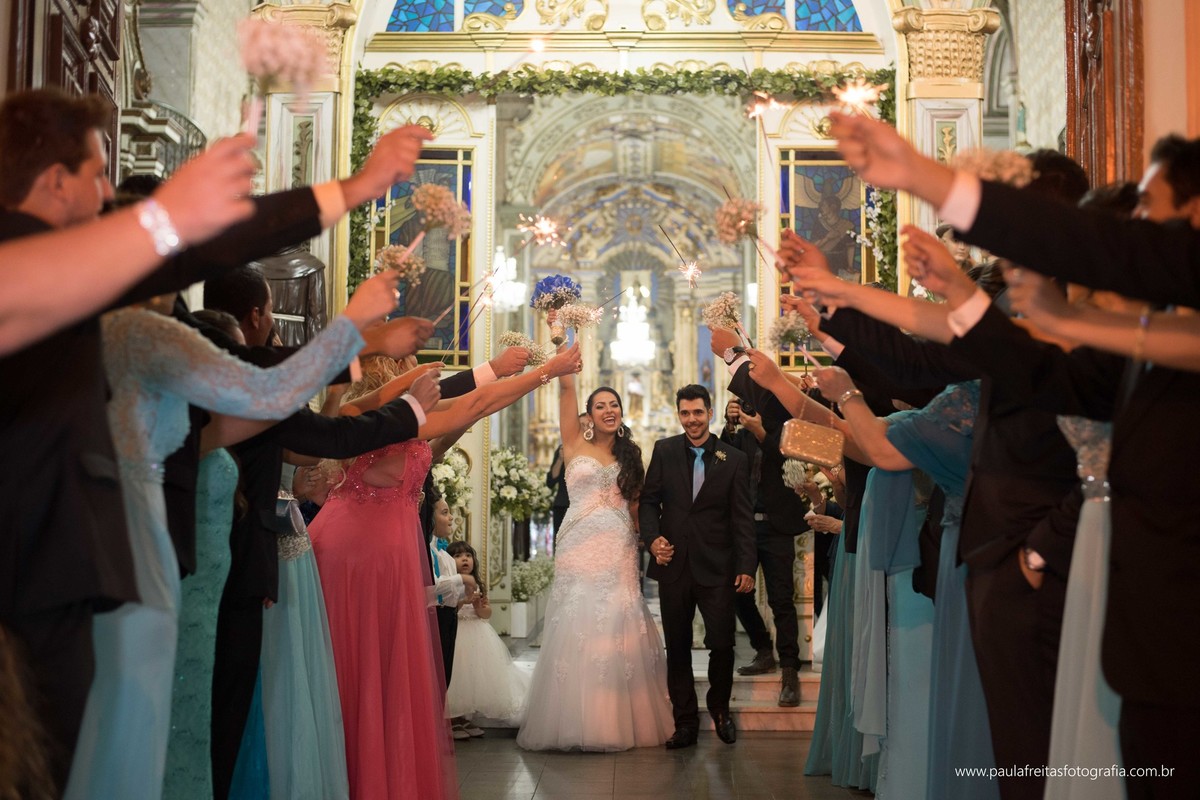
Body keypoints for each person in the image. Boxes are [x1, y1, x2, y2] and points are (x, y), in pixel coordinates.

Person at [61, 272, 400, 800]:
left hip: (192, 571)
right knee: (163, 708)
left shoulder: (203, 410)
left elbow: (285, 414)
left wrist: (358, 358)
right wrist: (362, 337)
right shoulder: (137, 352)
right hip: (163, 560)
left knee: (196, 711)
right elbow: (282, 403)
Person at [312, 344, 581, 798]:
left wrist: (463, 421)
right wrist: (548, 372)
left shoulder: (396, 421)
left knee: (385, 673)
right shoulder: (374, 417)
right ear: (389, 373)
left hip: (386, 554)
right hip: (357, 556)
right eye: (407, 363)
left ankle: (378, 775)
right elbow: (474, 400)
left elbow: (425, 453)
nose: (418, 370)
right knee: (361, 669)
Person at [518, 318, 673, 752]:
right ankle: (572, 718)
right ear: (589, 415)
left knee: (618, 622)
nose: (609, 410)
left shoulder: (630, 454)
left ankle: (619, 719)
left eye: (615, 406)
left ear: (622, 414)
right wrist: (563, 338)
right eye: (601, 405)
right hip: (578, 546)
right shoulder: (574, 443)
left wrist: (650, 540)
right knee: (577, 623)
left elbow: (640, 505)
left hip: (620, 548)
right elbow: (565, 387)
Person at [638, 384, 756, 750]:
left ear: (709, 411)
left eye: (698, 413)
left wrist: (747, 566)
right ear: (679, 414)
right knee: (677, 645)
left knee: (721, 643)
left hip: (718, 567)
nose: (692, 420)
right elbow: (648, 502)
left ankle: (720, 708)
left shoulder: (733, 459)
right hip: (674, 563)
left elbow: (742, 518)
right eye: (685, 413)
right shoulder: (664, 450)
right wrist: (653, 538)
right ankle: (685, 721)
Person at [444, 539, 529, 734]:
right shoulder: (450, 585)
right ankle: (452, 718)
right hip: (458, 635)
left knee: (474, 677)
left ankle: (465, 716)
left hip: (477, 635)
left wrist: (479, 606)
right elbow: (448, 612)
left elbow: (487, 614)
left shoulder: (478, 584)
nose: (464, 559)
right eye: (457, 556)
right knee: (458, 675)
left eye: (467, 555)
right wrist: (463, 601)